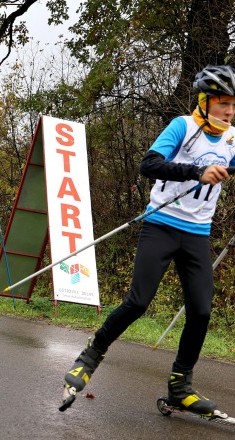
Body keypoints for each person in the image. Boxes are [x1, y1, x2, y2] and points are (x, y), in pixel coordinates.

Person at [60, 64, 235, 415]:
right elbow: (149, 164)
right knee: (138, 302)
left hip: (198, 235)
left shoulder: (233, 138)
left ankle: (180, 386)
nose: (229, 111)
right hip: (161, 225)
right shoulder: (182, 127)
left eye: (233, 105)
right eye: (222, 104)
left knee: (200, 311)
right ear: (204, 102)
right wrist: (194, 171)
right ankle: (90, 355)